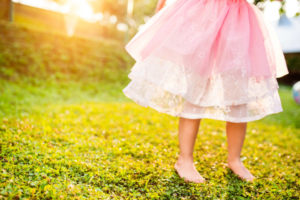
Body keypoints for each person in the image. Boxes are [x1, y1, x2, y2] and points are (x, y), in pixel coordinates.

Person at [122, 0, 288, 183]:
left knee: (238, 91)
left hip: (238, 17)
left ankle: (234, 159)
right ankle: (184, 160)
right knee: (196, 86)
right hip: (204, 13)